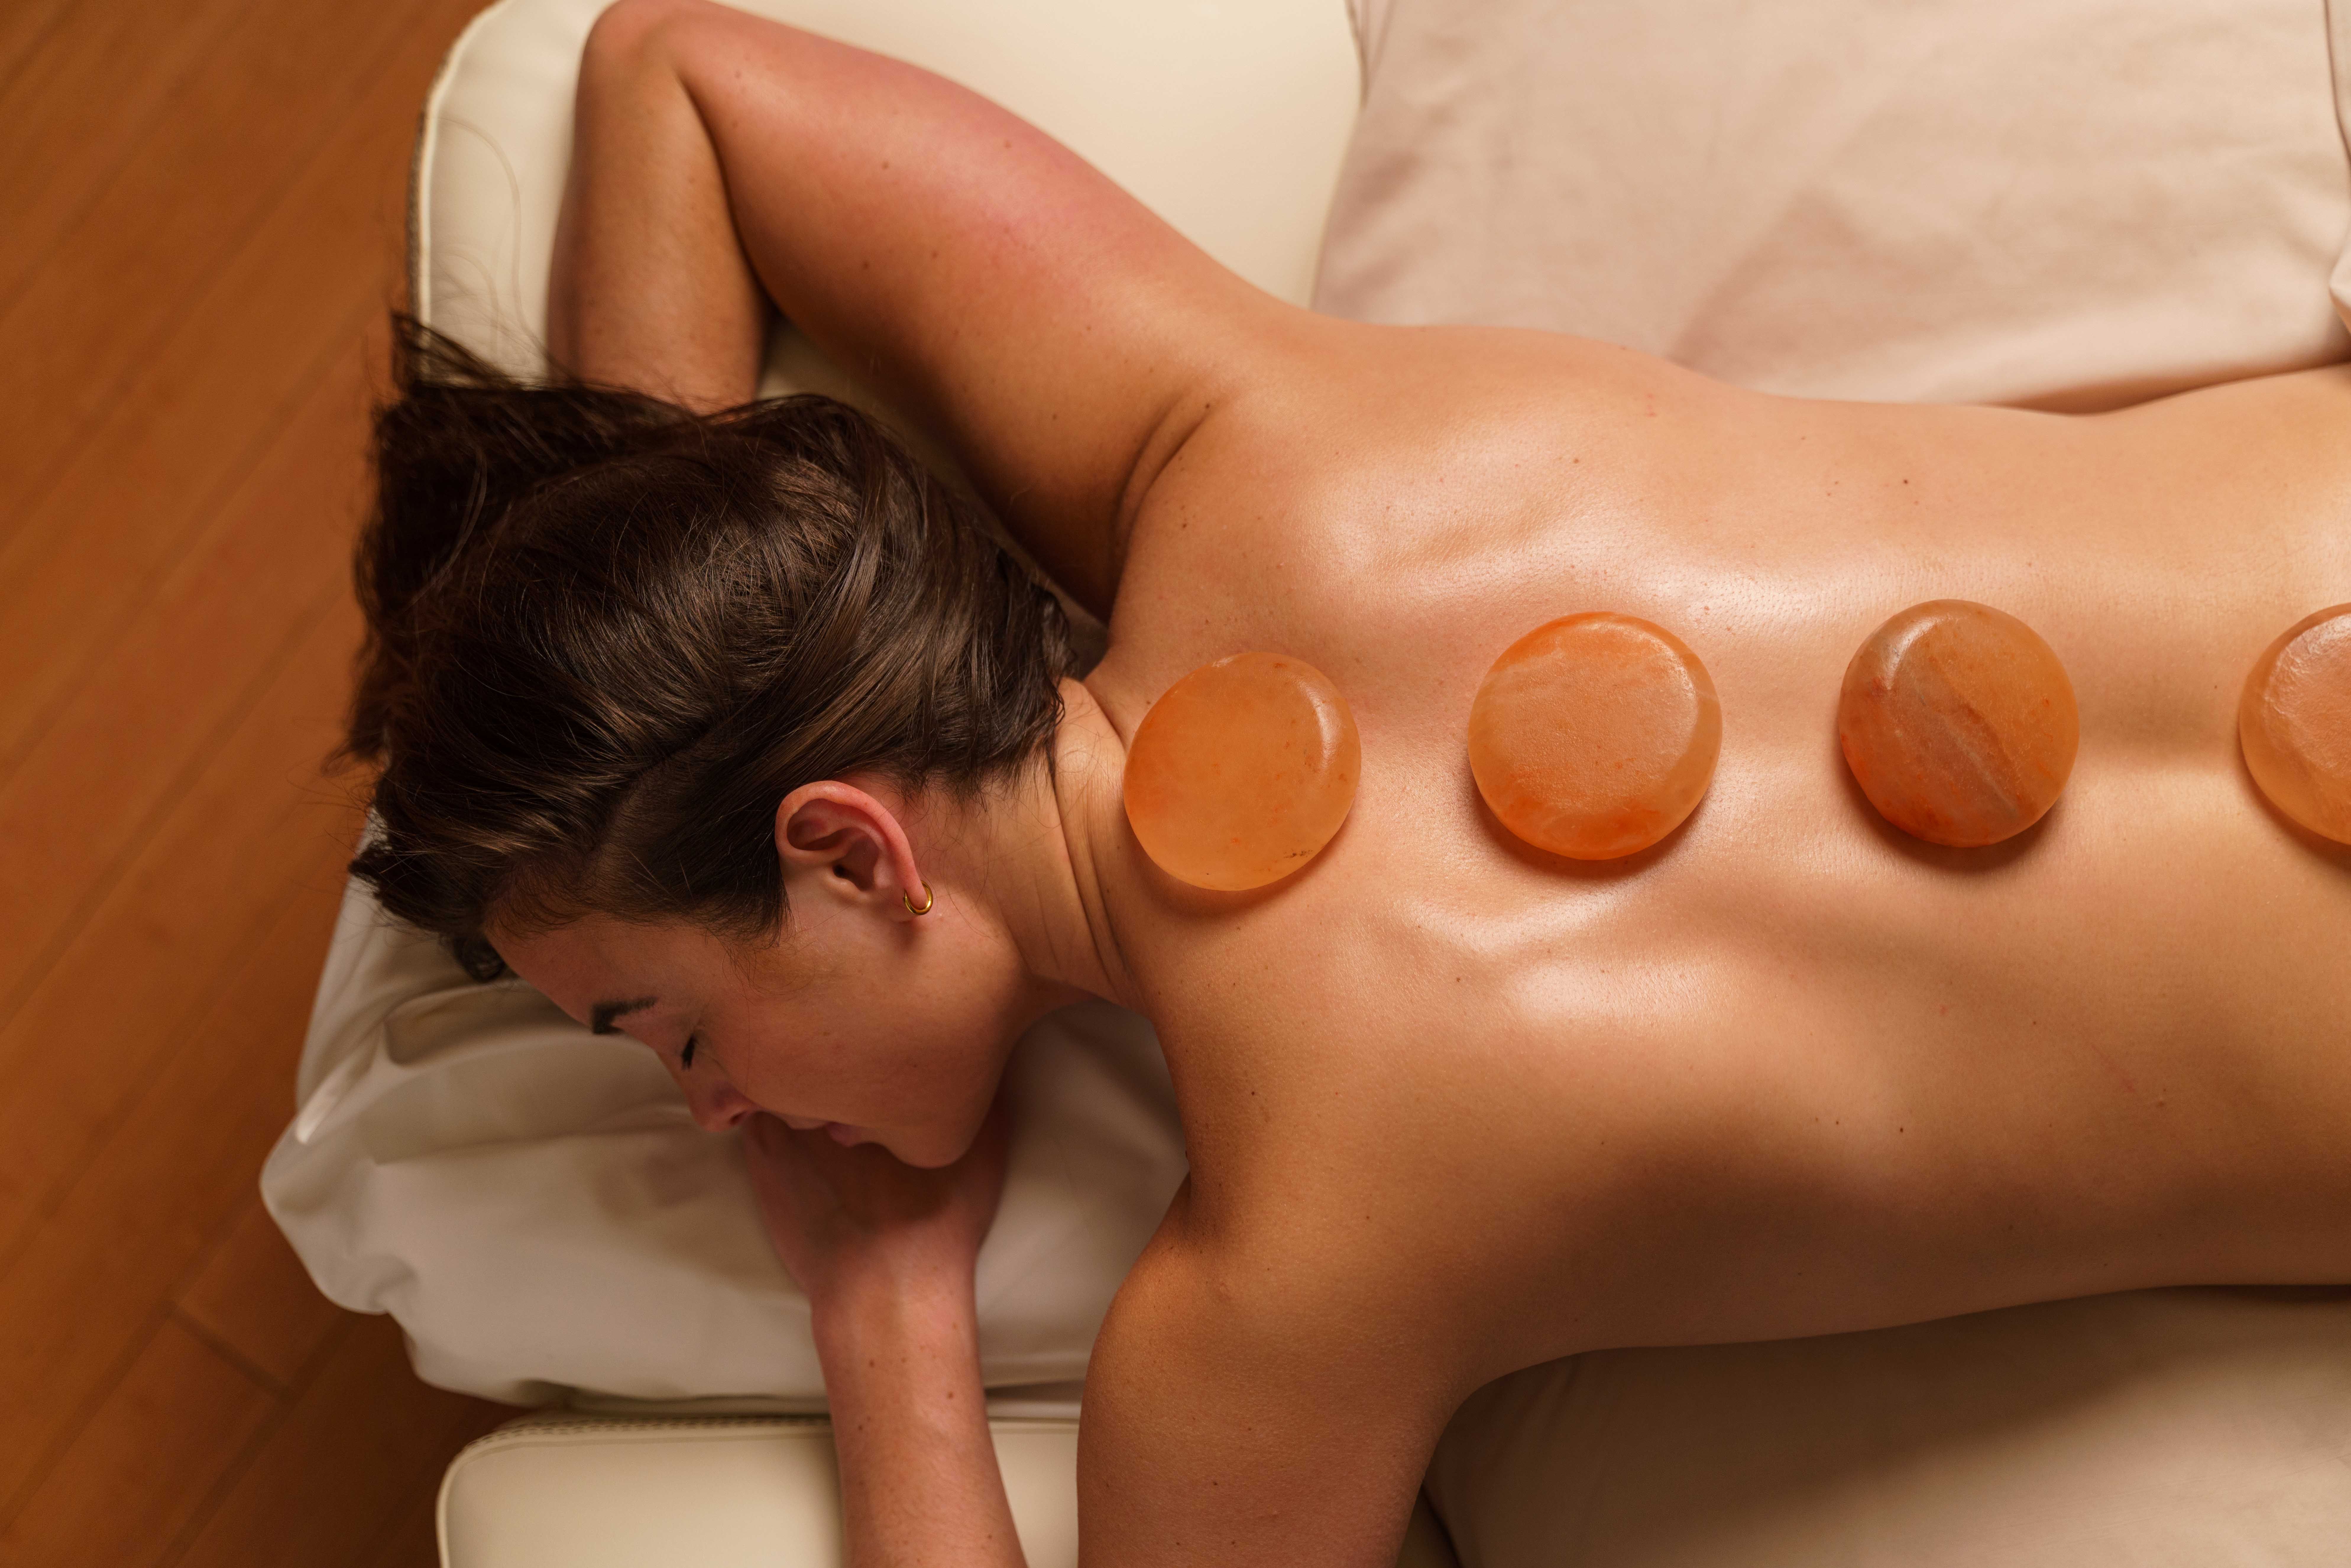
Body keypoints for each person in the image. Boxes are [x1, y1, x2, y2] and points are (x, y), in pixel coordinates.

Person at [348, 0, 2351, 1562]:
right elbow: (675, 73)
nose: (714, 1112)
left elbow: (659, 65)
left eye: (671, 1025)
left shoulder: (1297, 1288)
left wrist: (885, 1323)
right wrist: (659, 602)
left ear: (854, 847)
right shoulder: (1247, 437)